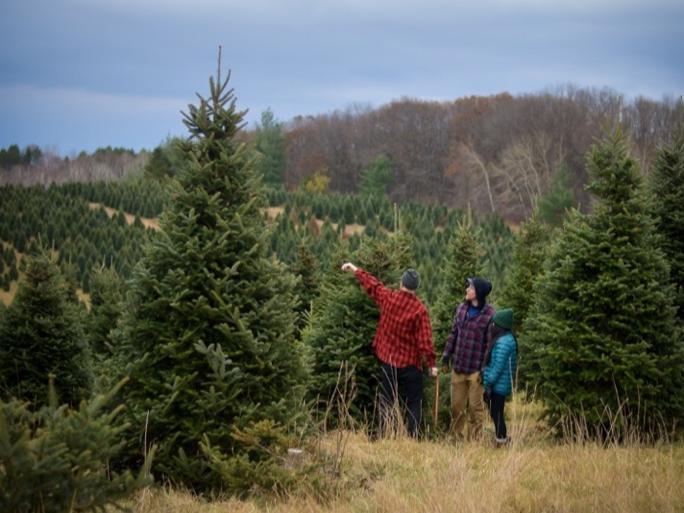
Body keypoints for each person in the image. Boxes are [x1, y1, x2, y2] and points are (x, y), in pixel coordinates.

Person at [341, 262, 437, 437]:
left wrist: (355, 269)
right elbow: (425, 341)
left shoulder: (389, 298)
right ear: (415, 288)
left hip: (389, 361)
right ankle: (412, 436)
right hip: (410, 364)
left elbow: (373, 285)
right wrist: (431, 365)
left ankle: (385, 433)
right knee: (414, 402)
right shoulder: (420, 310)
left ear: (402, 283)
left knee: (386, 400)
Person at [441, 277, 495, 441]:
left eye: (470, 287)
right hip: (459, 366)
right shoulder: (461, 309)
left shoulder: (490, 315)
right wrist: (446, 355)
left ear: (477, 292)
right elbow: (454, 334)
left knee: (474, 406)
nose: (466, 289)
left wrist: (485, 368)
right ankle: (456, 437)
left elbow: (490, 344)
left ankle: (475, 440)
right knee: (457, 406)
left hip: (477, 370)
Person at [483, 308, 517, 447]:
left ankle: (501, 440)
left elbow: (497, 367)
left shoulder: (503, 342)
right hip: (499, 384)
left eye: (494, 324)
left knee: (496, 413)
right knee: (496, 412)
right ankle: (500, 438)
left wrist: (489, 383)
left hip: (498, 385)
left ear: (500, 325)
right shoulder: (506, 339)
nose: (492, 326)